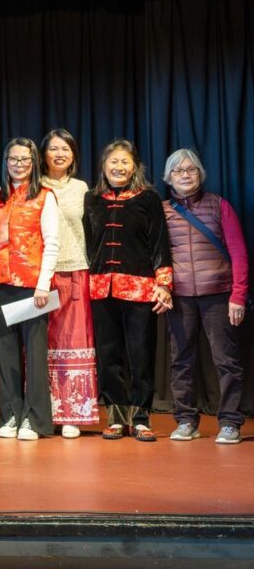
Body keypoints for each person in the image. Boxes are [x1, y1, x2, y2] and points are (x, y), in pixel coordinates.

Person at [84, 139, 172, 442]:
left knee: (140, 353)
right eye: (113, 162)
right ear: (103, 166)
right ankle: (117, 417)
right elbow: (87, 243)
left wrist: (164, 284)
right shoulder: (91, 199)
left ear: (134, 167)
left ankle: (142, 417)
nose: (119, 167)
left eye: (125, 162)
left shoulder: (148, 198)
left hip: (139, 287)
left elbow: (160, 243)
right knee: (108, 354)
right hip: (100, 287)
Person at [161, 148, 248, 444]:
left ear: (200, 174)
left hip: (219, 295)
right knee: (181, 360)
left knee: (226, 360)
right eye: (178, 170)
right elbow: (157, 258)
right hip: (180, 297)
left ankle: (230, 423)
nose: (185, 175)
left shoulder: (218, 206)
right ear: (168, 177)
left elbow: (238, 253)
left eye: (191, 170)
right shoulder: (163, 211)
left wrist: (238, 295)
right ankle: (186, 420)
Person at [0, 138, 60, 440]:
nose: (19, 165)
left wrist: (43, 283)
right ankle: (10, 415)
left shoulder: (45, 196)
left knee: (35, 355)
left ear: (34, 163)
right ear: (6, 161)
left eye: (25, 159)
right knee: (6, 354)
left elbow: (52, 243)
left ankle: (35, 420)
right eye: (14, 159)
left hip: (32, 285)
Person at [38, 129, 99, 438]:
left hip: (76, 269)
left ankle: (73, 413)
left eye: (66, 149)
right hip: (41, 274)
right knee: (44, 343)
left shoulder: (81, 187)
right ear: (43, 154)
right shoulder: (34, 187)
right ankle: (45, 411)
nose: (59, 154)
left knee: (75, 341)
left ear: (74, 155)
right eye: (53, 149)